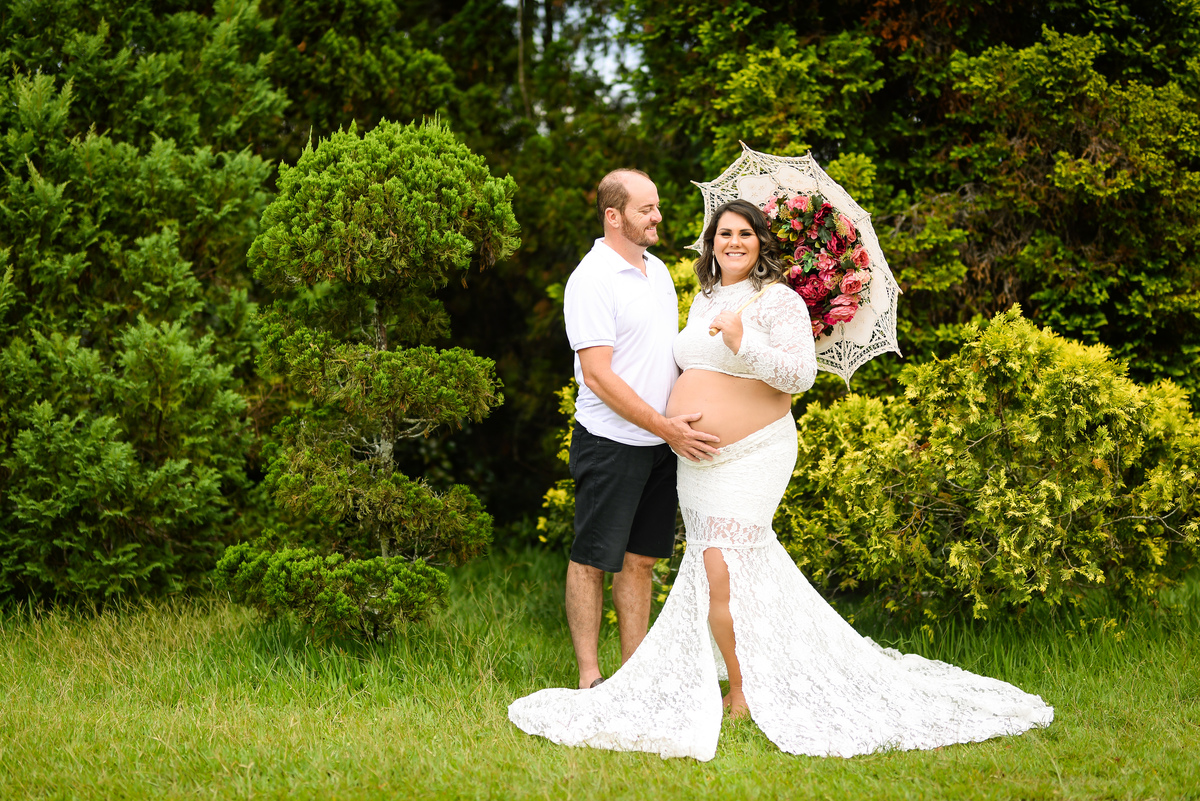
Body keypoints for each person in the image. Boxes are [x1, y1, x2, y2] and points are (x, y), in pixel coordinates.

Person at [509, 199, 1054, 760]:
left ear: (762, 243)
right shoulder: (702, 300)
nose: (734, 242)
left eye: (746, 234)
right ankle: (735, 670)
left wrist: (745, 340)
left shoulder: (780, 300)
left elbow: (800, 374)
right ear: (711, 243)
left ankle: (743, 690)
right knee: (713, 565)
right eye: (724, 234)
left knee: (722, 561)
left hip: (752, 456)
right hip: (694, 459)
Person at [559, 168, 720, 691]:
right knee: (592, 560)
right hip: (611, 443)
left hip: (660, 444)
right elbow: (599, 376)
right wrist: (665, 428)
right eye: (646, 209)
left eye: (656, 206)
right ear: (613, 216)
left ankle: (634, 676)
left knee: (642, 561)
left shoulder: (654, 272)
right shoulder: (592, 279)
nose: (657, 216)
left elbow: (661, 360)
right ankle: (589, 677)